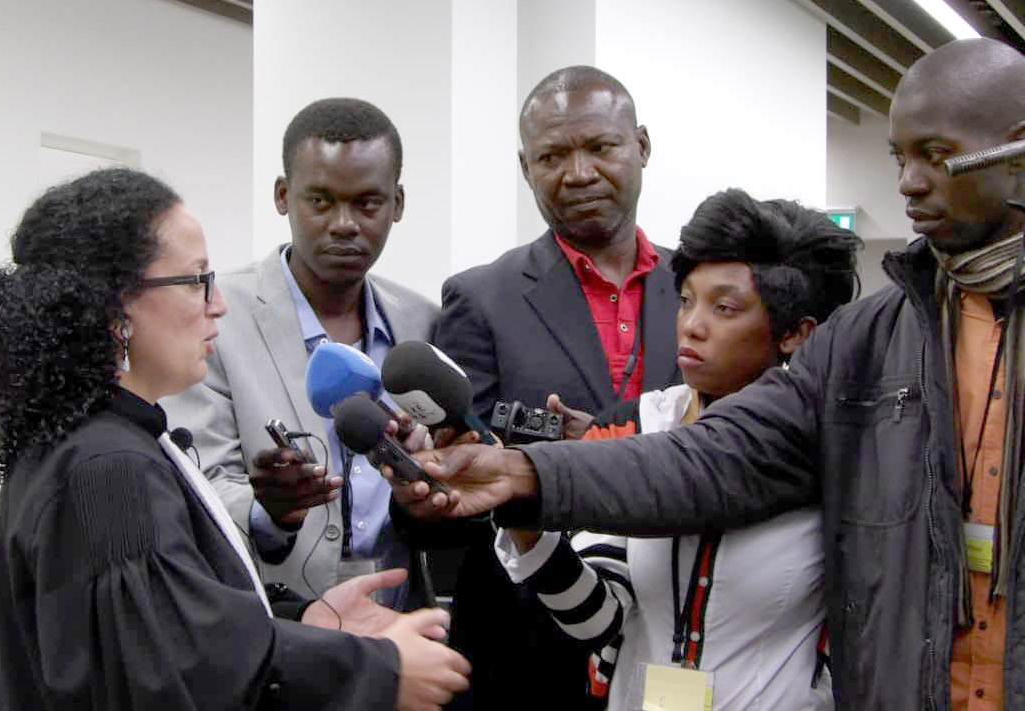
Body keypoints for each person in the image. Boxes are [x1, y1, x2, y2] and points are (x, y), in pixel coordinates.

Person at [416, 38, 1025, 710]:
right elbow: (716, 454)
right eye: (898, 158)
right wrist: (528, 478)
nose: (908, 182)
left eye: (935, 156)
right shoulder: (871, 342)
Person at [0, 168, 469, 711]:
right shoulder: (108, 466)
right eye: (196, 279)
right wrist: (377, 670)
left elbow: (173, 621)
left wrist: (308, 622)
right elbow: (179, 666)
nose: (218, 302)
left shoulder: (104, 440)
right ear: (114, 310)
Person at [493, 189, 859, 710]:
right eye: (686, 299)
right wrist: (523, 519)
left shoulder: (833, 449)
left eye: (725, 307)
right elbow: (598, 621)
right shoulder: (636, 425)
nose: (692, 324)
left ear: (796, 334)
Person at [425, 65, 683, 710]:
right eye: (553, 155)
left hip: (678, 617)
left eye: (600, 147)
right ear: (525, 166)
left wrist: (605, 435)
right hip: (526, 632)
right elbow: (468, 460)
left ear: (642, 146)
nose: (579, 173)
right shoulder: (480, 299)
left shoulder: (704, 293)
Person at [162, 98, 439, 610]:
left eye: (367, 203)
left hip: (402, 628)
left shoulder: (424, 323)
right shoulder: (216, 316)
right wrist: (271, 510)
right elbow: (199, 489)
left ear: (397, 203)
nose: (343, 223)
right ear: (283, 196)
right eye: (320, 200)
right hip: (272, 631)